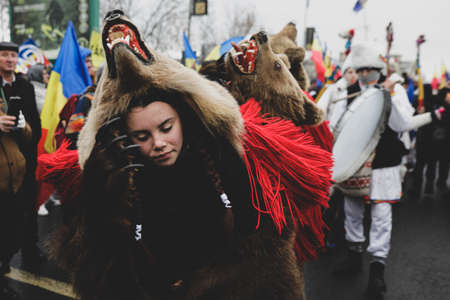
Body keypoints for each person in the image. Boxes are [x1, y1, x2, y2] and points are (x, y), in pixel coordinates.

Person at [46, 11, 332, 300]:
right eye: (141, 136)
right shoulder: (114, 180)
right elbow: (94, 273)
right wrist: (103, 205)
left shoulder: (224, 155)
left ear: (183, 118)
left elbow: (269, 247)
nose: (158, 143)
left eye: (166, 127)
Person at [332, 43, 444, 300]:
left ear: (378, 69)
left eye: (369, 69)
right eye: (360, 69)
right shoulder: (348, 92)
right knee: (352, 212)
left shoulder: (395, 92)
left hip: (384, 162)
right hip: (355, 165)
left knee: (381, 215)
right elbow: (337, 128)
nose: (364, 74)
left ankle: (377, 271)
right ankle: (353, 257)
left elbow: (402, 123)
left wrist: (387, 97)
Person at [0, 41, 41, 299]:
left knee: (15, 225)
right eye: (4, 55)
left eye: (13, 55)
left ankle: (7, 262)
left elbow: (33, 133)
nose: (10, 59)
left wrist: (23, 127)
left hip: (20, 170)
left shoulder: (25, 86)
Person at [317, 57, 358, 132]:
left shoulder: (360, 92)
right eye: (350, 72)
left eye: (356, 72)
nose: (353, 75)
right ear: (344, 74)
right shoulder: (333, 89)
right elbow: (321, 107)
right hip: (329, 129)